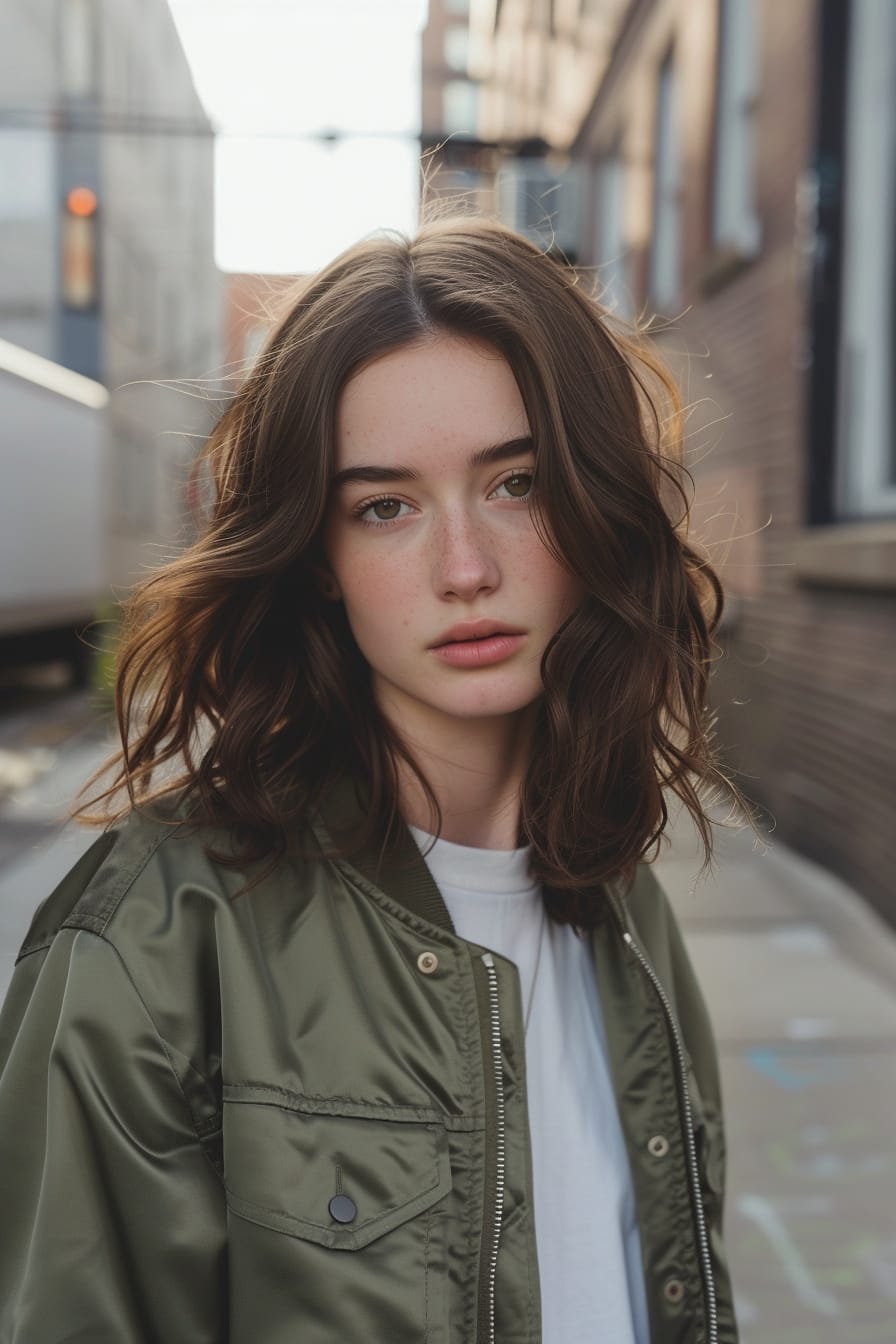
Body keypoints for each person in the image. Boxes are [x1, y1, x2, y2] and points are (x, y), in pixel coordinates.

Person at [0, 215, 748, 1343]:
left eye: (516, 483)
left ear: (595, 505)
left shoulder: (625, 916)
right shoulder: (153, 946)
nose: (464, 569)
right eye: (384, 507)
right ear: (317, 557)